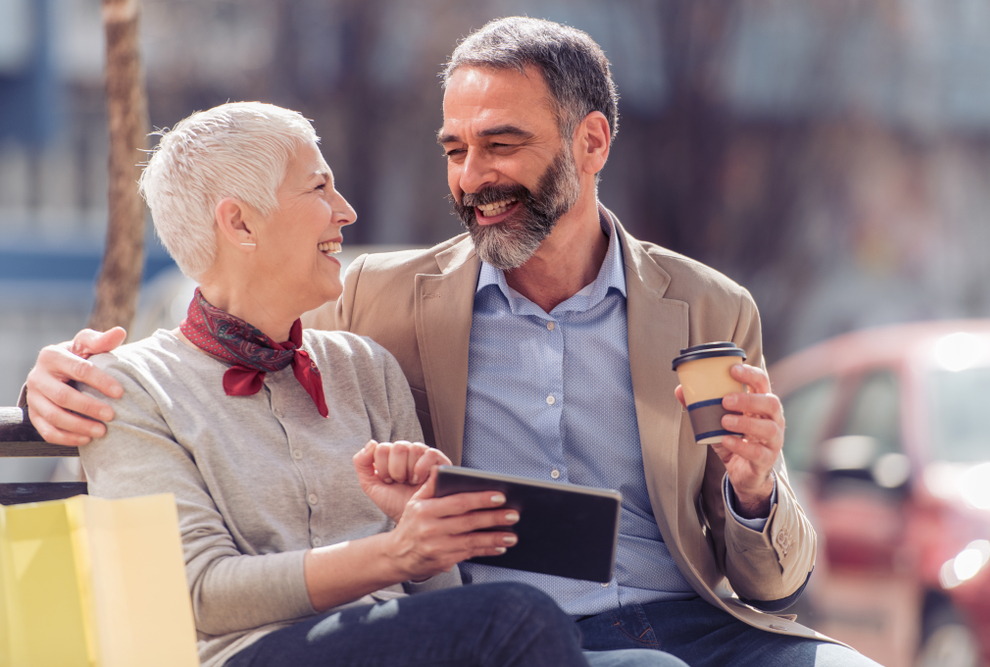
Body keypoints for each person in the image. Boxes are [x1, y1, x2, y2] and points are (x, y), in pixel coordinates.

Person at [25, 17, 881, 667]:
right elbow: (221, 324)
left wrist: (756, 491)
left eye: (501, 145)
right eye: (455, 149)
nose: (472, 178)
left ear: (591, 144)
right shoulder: (375, 301)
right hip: (513, 633)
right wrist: (54, 383)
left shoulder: (707, 307)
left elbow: (775, 579)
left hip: (684, 615)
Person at [64, 101, 680, 667]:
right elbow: (196, 594)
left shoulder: (363, 367)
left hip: (396, 645)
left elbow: (435, 597)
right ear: (241, 224)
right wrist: (392, 555)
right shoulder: (129, 388)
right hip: (247, 655)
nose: (346, 211)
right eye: (319, 187)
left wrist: (427, 530)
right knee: (516, 614)